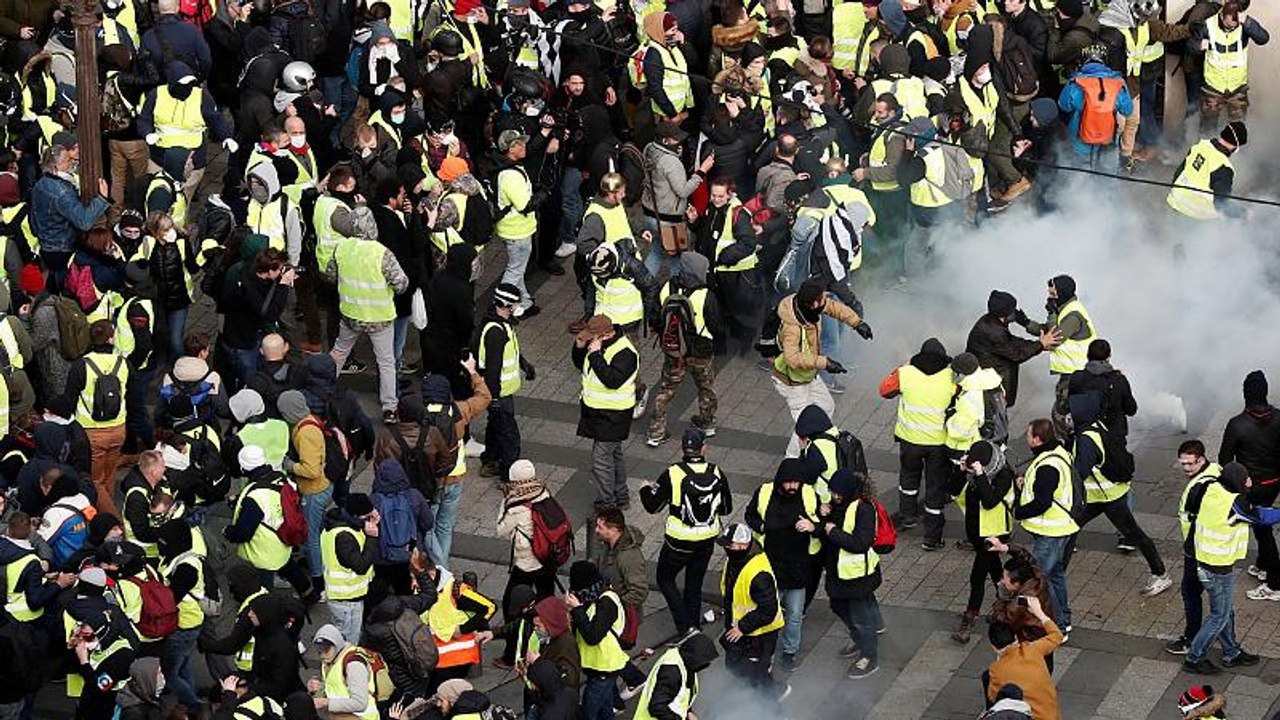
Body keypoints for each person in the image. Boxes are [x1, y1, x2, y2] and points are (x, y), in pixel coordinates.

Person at [641, 427, 732, 640]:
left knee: (665, 578)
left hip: (678, 541)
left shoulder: (673, 473)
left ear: (681, 448)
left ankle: (685, 626)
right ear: (704, 448)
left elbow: (653, 507)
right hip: (707, 539)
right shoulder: (716, 472)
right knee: (694, 583)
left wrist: (645, 488)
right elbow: (726, 508)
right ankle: (694, 626)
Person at [324, 213, 410, 423]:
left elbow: (330, 275)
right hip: (379, 318)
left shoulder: (342, 248)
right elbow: (401, 284)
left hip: (350, 314)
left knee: (339, 353)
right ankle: (390, 407)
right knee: (386, 362)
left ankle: (323, 390)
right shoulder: (382, 253)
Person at [1181, 461, 1265, 674]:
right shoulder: (1234, 504)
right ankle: (1194, 658)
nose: (1249, 482)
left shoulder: (1212, 488)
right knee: (1219, 616)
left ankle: (1231, 652)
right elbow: (1263, 517)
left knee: (1226, 611)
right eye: (1246, 478)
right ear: (1237, 481)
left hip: (1205, 562)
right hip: (1217, 569)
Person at [773, 280, 870, 456]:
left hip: (808, 375)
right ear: (813, 304)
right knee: (804, 425)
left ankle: (813, 444)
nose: (826, 301)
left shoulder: (808, 307)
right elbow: (792, 358)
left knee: (826, 406)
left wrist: (857, 323)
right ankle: (792, 461)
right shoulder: (792, 328)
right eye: (823, 298)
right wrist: (825, 363)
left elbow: (834, 308)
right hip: (792, 383)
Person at [744, 458, 821, 670]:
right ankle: (765, 652)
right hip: (769, 565)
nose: (793, 487)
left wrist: (812, 526)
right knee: (768, 613)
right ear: (780, 481)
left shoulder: (808, 494)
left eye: (796, 483)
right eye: (788, 483)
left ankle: (789, 652)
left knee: (794, 616)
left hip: (797, 565)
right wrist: (762, 527)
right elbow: (750, 515)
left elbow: (821, 523)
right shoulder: (764, 492)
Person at [880, 338, 955, 547]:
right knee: (935, 486)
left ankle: (907, 516)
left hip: (910, 441)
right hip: (938, 444)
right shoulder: (950, 377)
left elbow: (884, 390)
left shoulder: (906, 374)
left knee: (909, 480)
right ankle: (932, 537)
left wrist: (902, 368)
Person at [646, 252, 722, 446]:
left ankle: (656, 431)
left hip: (675, 350)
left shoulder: (668, 287)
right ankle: (707, 422)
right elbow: (716, 325)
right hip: (701, 352)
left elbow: (655, 314)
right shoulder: (707, 295)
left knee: (666, 389)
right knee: (705, 387)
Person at [1219, 370, 1280, 601]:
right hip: (1274, 482)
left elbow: (1225, 461)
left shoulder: (1237, 425)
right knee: (1260, 526)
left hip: (1251, 486)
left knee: (1263, 532)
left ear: (1245, 394)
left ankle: (1275, 583)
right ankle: (1263, 565)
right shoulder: (1279, 417)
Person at [1013, 419, 1078, 635]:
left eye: (1029, 434)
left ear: (1038, 439)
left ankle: (1058, 626)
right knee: (1056, 575)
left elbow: (1042, 502)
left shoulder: (1047, 466)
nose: (1026, 437)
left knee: (1039, 580)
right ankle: (1064, 619)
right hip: (1061, 529)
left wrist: (1018, 511)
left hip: (1050, 532)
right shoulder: (1058, 453)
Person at [949, 441, 1016, 644]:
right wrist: (960, 471)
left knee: (977, 575)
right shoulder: (973, 472)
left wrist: (980, 475)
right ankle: (1009, 606)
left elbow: (989, 501)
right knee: (995, 570)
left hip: (994, 534)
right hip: (977, 533)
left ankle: (970, 618)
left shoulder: (1004, 475)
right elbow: (952, 490)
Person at [64, 320, 130, 518]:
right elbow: (132, 396)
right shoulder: (124, 364)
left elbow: (70, 398)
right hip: (118, 428)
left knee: (94, 480)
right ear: (111, 339)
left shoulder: (81, 365)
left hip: (91, 432)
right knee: (109, 475)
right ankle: (106, 506)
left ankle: (111, 520)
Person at [573, 315, 640, 511]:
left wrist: (594, 355)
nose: (589, 340)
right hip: (599, 412)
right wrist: (579, 347)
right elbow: (581, 365)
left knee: (600, 460)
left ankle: (608, 504)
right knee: (614, 455)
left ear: (606, 334)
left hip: (614, 415)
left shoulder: (626, 352)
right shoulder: (598, 343)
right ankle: (621, 497)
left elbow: (612, 380)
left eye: (592, 337)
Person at [1165, 440, 1222, 655]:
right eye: (1183, 464)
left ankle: (1191, 638)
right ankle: (1228, 644)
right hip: (1211, 549)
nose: (1187, 468)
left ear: (1201, 458)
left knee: (1191, 593)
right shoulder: (1216, 471)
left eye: (1191, 463)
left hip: (1198, 550)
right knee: (1219, 601)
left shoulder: (1198, 487)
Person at [717, 521, 787, 692]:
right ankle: (763, 687)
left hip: (759, 635)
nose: (725, 548)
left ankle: (771, 704)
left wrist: (742, 627)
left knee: (754, 674)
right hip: (746, 630)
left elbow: (768, 610)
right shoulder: (736, 560)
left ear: (743, 545)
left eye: (729, 544)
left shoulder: (758, 574)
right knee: (739, 667)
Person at [30, 146, 111, 290]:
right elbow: (84, 221)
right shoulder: (63, 192)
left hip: (46, 245)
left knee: (53, 282)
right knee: (65, 286)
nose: (73, 162)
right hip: (62, 249)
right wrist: (102, 198)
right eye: (68, 160)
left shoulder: (40, 184)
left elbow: (34, 217)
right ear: (56, 165)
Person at [476, 283, 534, 479]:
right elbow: (492, 369)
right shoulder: (495, 332)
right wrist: (493, 399)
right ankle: (509, 474)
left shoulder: (501, 324)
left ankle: (491, 460)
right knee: (509, 436)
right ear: (506, 305)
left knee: (495, 427)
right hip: (498, 393)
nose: (517, 307)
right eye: (515, 304)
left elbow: (510, 352)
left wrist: (524, 364)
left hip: (500, 392)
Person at [1188, 0, 1269, 131]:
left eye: (1234, 26)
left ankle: (1237, 151)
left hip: (1237, 88)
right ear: (1221, 16)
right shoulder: (1207, 25)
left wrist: (1248, 23)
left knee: (1237, 130)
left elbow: (1263, 39)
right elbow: (1188, 47)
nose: (1231, 28)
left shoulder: (1244, 24)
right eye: (1228, 26)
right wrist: (1197, 46)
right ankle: (1207, 150)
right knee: (1207, 129)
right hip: (1213, 88)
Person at [494, 129, 548, 319]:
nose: (524, 146)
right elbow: (525, 205)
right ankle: (501, 305)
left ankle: (525, 302)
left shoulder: (508, 168)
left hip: (515, 229)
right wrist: (542, 195)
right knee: (515, 270)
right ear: (511, 148)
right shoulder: (511, 175)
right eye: (520, 144)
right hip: (517, 231)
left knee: (517, 267)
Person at [566, 560, 629, 720]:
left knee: (588, 712)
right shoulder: (590, 598)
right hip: (597, 667)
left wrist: (577, 609)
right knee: (605, 711)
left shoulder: (607, 602)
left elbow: (592, 636)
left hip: (604, 669)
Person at [985, 595, 1064, 720]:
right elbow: (1057, 636)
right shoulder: (1032, 649)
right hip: (1051, 715)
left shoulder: (996, 670)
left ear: (993, 646)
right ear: (1015, 638)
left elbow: (994, 696)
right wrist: (1040, 614)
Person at [496, 460, 557, 614]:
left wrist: (505, 502)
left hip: (527, 561)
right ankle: (549, 627)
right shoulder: (543, 491)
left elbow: (500, 530)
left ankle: (513, 632)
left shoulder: (516, 507)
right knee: (546, 597)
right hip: (548, 556)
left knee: (511, 601)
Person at [320, 493, 380, 645]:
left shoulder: (338, 522)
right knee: (348, 643)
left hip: (342, 596)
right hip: (347, 598)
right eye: (365, 517)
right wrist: (372, 537)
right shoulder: (344, 536)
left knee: (342, 635)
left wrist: (368, 520)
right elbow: (360, 566)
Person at [1042, 275, 1096, 440]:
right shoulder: (1066, 309)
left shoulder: (1072, 316)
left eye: (1052, 293)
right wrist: (1025, 322)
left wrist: (1051, 313)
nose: (1049, 297)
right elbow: (1047, 329)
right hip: (1074, 373)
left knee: (1061, 413)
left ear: (1062, 293)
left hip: (1076, 375)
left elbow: (1054, 339)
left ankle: (1067, 444)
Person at [1167, 122, 1247, 221]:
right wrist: (1244, 213)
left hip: (1176, 204)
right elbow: (1222, 205)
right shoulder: (1223, 167)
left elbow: (1179, 172)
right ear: (1236, 146)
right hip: (1197, 216)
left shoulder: (1200, 146)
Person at [594, 507, 649, 650]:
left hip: (622, 619)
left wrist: (615, 607)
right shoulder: (608, 546)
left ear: (614, 530)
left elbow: (639, 592)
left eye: (600, 527)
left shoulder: (629, 557)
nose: (596, 530)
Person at [632, 632, 719, 720]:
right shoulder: (671, 671)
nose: (705, 665)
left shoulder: (683, 660)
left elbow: (681, 694)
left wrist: (688, 712)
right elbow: (657, 707)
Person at [308, 624, 379, 718]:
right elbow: (336, 688)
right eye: (319, 651)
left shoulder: (354, 665)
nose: (322, 655)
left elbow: (360, 703)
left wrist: (326, 702)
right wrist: (319, 689)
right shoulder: (329, 659)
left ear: (337, 645)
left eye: (327, 650)